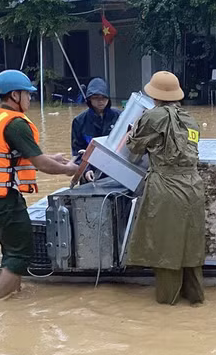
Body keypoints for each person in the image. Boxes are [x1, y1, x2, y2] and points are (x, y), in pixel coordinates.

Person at [0, 70, 78, 299]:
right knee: (20, 255)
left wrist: (54, 158)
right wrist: (69, 169)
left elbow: (15, 156)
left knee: (11, 252)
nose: (31, 98)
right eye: (28, 94)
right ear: (14, 95)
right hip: (5, 201)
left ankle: (13, 301)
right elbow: (40, 164)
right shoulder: (16, 125)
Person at [125, 71, 206, 305]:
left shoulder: (152, 117)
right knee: (191, 251)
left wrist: (131, 132)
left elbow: (134, 148)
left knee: (166, 252)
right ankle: (196, 300)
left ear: (154, 95)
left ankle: (166, 308)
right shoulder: (191, 120)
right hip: (194, 187)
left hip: (167, 188)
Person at [71, 77, 120, 158]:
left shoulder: (120, 116)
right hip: (90, 163)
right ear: (90, 98)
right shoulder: (79, 121)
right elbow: (77, 152)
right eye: (96, 97)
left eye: (103, 97)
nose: (100, 101)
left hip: (114, 160)